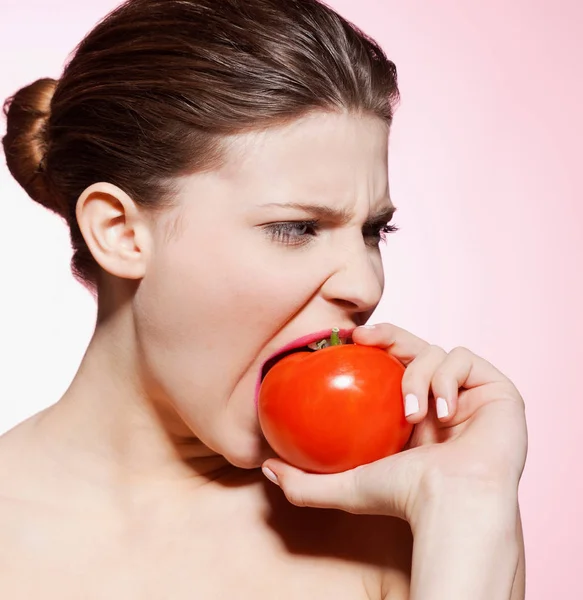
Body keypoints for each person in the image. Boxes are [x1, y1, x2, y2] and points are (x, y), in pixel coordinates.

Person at [0, 0, 527, 597]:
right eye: (297, 228)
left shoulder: (408, 524)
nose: (365, 286)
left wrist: (470, 506)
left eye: (372, 231)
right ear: (119, 232)